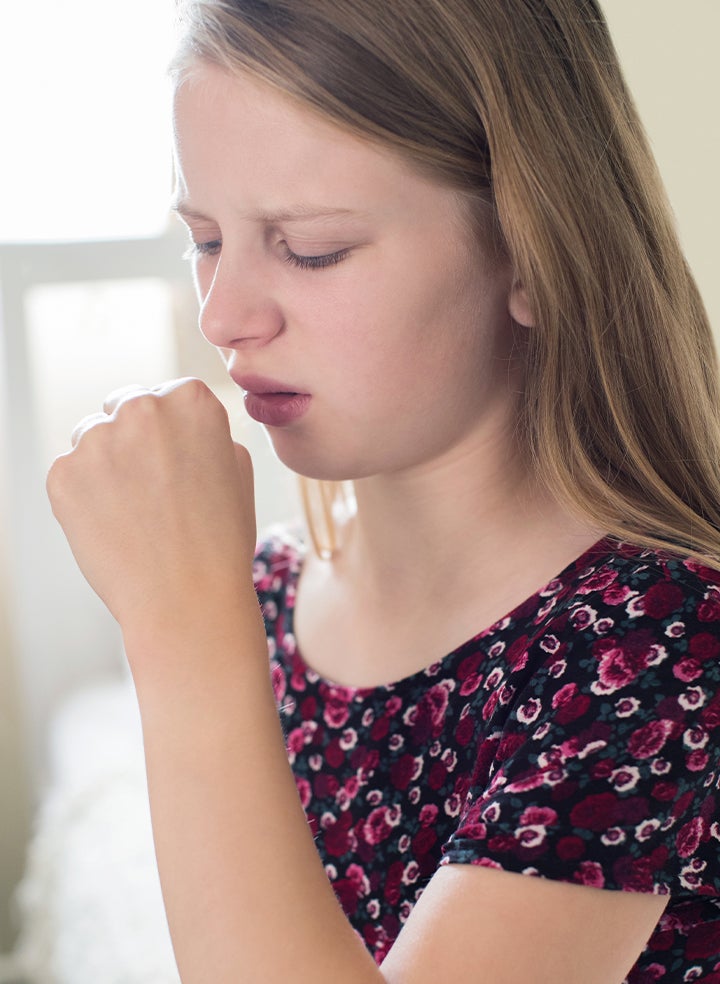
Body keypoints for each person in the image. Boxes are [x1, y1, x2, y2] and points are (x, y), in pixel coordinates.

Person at [46, 0, 720, 981]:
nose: (222, 316)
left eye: (311, 248)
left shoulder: (656, 642)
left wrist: (181, 629)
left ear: (533, 254)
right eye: (205, 239)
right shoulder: (267, 594)